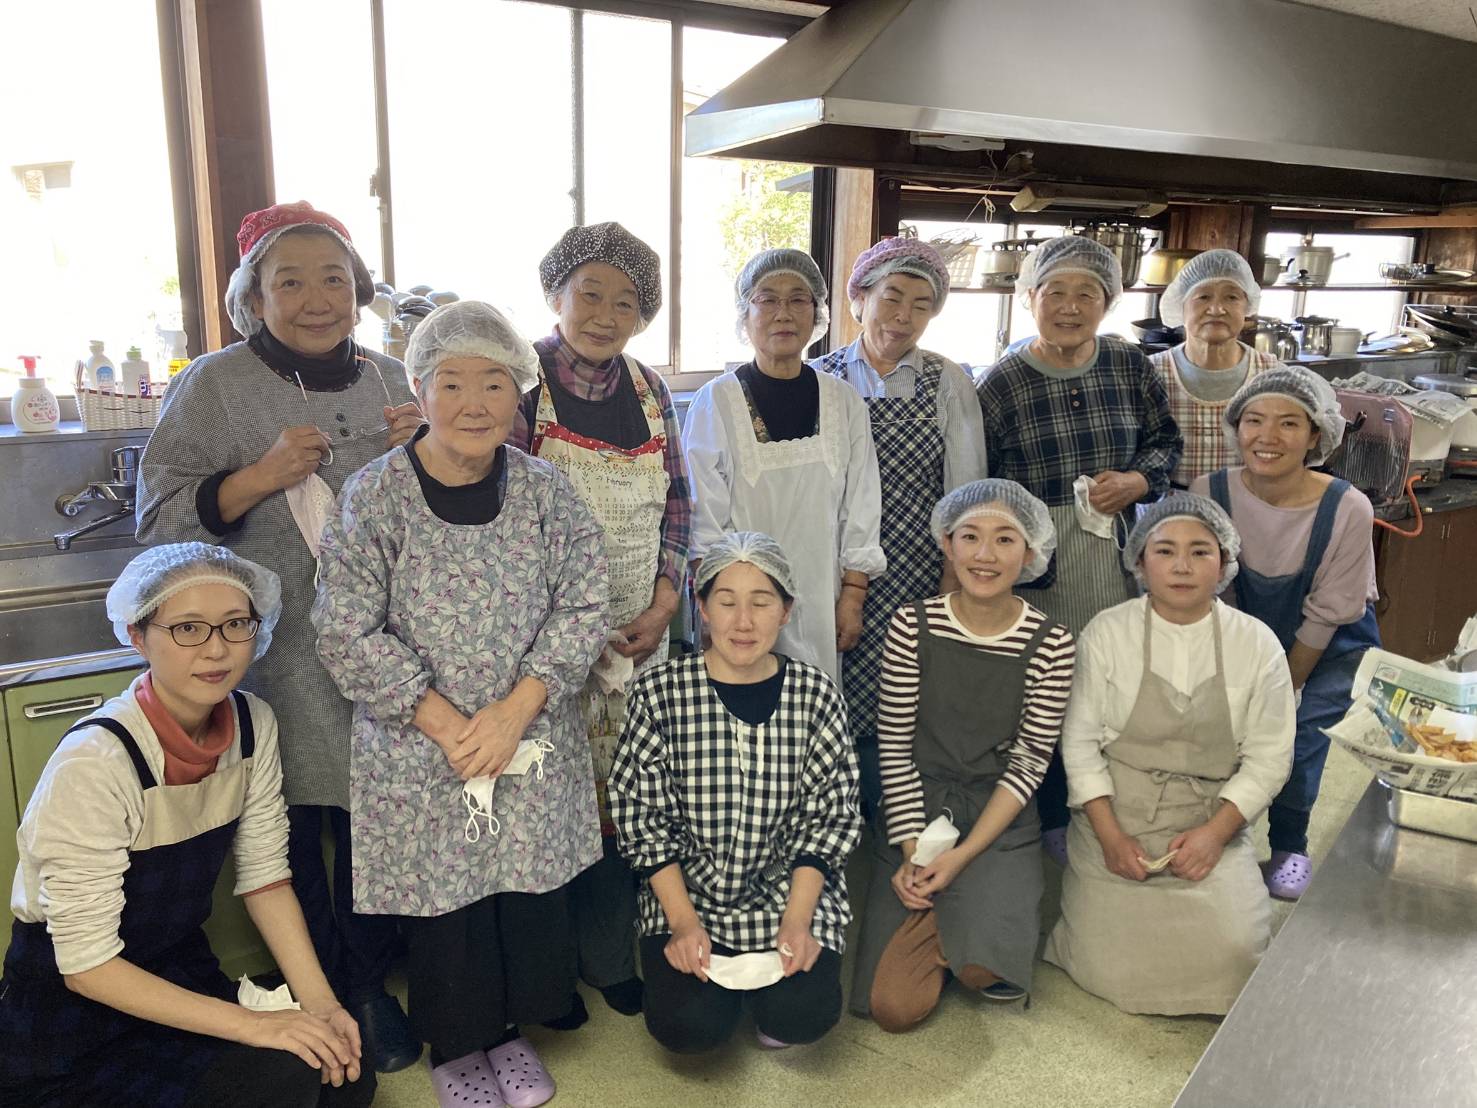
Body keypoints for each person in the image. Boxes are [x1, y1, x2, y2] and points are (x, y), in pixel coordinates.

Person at [136, 201, 424, 1070]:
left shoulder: (393, 379)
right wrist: (257, 477)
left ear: (359, 291)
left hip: (388, 645)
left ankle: (372, 973)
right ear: (252, 298)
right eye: (288, 281)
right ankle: (334, 988)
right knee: (290, 826)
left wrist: (431, 452)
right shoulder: (215, 385)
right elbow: (158, 521)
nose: (315, 298)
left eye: (333, 278)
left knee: (379, 818)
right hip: (276, 652)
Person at [311, 300, 608, 1108]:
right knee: (447, 910)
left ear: (520, 393)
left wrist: (514, 712)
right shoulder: (375, 496)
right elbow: (343, 629)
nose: (474, 403)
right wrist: (448, 726)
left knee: (520, 897)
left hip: (527, 729)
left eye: (494, 383)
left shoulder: (547, 492)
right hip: (421, 741)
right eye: (452, 383)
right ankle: (455, 1043)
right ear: (419, 389)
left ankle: (510, 1029)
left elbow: (585, 603)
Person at [0, 544, 373, 1108]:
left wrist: (321, 1006)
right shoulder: (95, 762)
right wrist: (259, 1026)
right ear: (138, 635)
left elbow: (267, 880)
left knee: (341, 1074)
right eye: (188, 628)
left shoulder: (253, 723)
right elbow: (86, 967)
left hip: (178, 971)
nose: (216, 649)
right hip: (73, 1010)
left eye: (235, 624)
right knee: (281, 1081)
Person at [508, 221, 692, 1020]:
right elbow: (501, 521)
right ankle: (548, 973)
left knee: (629, 802)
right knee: (547, 804)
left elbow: (678, 506)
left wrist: (663, 604)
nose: (605, 315)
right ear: (555, 295)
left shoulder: (651, 391)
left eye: (625, 302)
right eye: (589, 294)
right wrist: (562, 637)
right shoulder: (520, 384)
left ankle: (612, 957)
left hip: (637, 641)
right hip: (542, 645)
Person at [609, 532, 862, 1054]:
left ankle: (771, 997)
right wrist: (683, 924)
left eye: (761, 602)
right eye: (726, 602)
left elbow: (829, 819)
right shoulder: (659, 693)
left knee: (802, 1015)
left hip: (788, 894)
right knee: (687, 1027)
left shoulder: (817, 695)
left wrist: (797, 921)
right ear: (702, 608)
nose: (743, 622)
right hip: (689, 895)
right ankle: (716, 982)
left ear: (786, 611)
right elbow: (642, 818)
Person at [975, 235, 1182, 862]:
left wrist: (1139, 481)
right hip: (1039, 566)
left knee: (1114, 684)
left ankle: (1109, 808)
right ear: (1029, 297)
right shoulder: (1002, 383)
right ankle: (1047, 816)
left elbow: (1166, 443)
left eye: (1086, 294)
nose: (1070, 307)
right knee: (1044, 691)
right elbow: (983, 486)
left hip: (1120, 558)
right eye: (1055, 292)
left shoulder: (1128, 364)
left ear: (1108, 302)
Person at [1044, 496, 1294, 1016]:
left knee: (1237, 954)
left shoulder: (1257, 644)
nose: (1182, 566)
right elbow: (1080, 744)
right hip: (1118, 819)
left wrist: (1215, 836)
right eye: (1165, 550)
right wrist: (1111, 838)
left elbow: (1270, 758)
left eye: (1200, 552)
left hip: (1208, 819)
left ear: (1224, 564)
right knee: (1107, 962)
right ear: (1139, 561)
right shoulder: (1106, 632)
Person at [851, 480, 1074, 1030]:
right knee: (892, 1010)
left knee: (988, 974)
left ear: (1030, 552)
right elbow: (894, 745)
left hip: (1000, 816)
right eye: (970, 536)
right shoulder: (911, 624)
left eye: (1005, 539)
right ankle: (947, 925)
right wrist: (913, 852)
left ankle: (963, 927)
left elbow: (1029, 763)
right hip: (917, 807)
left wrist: (962, 855)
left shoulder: (1053, 643)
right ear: (946, 544)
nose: (985, 554)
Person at [811, 237, 989, 812]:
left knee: (907, 694)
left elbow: (965, 494)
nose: (903, 316)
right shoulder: (820, 377)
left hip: (918, 567)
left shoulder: (947, 380)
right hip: (834, 564)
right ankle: (839, 810)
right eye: (892, 298)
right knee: (834, 687)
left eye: (921, 304)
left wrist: (951, 588)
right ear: (859, 299)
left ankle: (900, 819)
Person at [1191, 367, 1378, 899]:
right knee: (1224, 735)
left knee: (1296, 743)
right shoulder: (1210, 492)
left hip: (1329, 647)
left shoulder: (1347, 507)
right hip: (1241, 635)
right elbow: (1215, 591)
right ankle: (1222, 833)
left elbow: (1327, 614)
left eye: (1289, 423)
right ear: (1237, 427)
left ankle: (1291, 846)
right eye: (1254, 420)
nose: (1267, 436)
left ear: (1317, 435)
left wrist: (1286, 687)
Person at [683, 248, 885, 685]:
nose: (784, 313)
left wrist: (853, 595)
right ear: (745, 314)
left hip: (823, 596)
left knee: (812, 705)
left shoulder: (844, 401)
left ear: (817, 312)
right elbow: (703, 519)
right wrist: (717, 606)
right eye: (768, 299)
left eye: (798, 299)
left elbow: (862, 505)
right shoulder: (716, 401)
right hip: (740, 606)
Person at [1149, 249, 1279, 488]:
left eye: (1231, 297)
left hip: (1246, 503)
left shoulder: (1271, 374)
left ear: (1247, 307)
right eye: (1203, 297)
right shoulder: (1150, 372)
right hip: (1167, 505)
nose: (1217, 309)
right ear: (1181, 305)